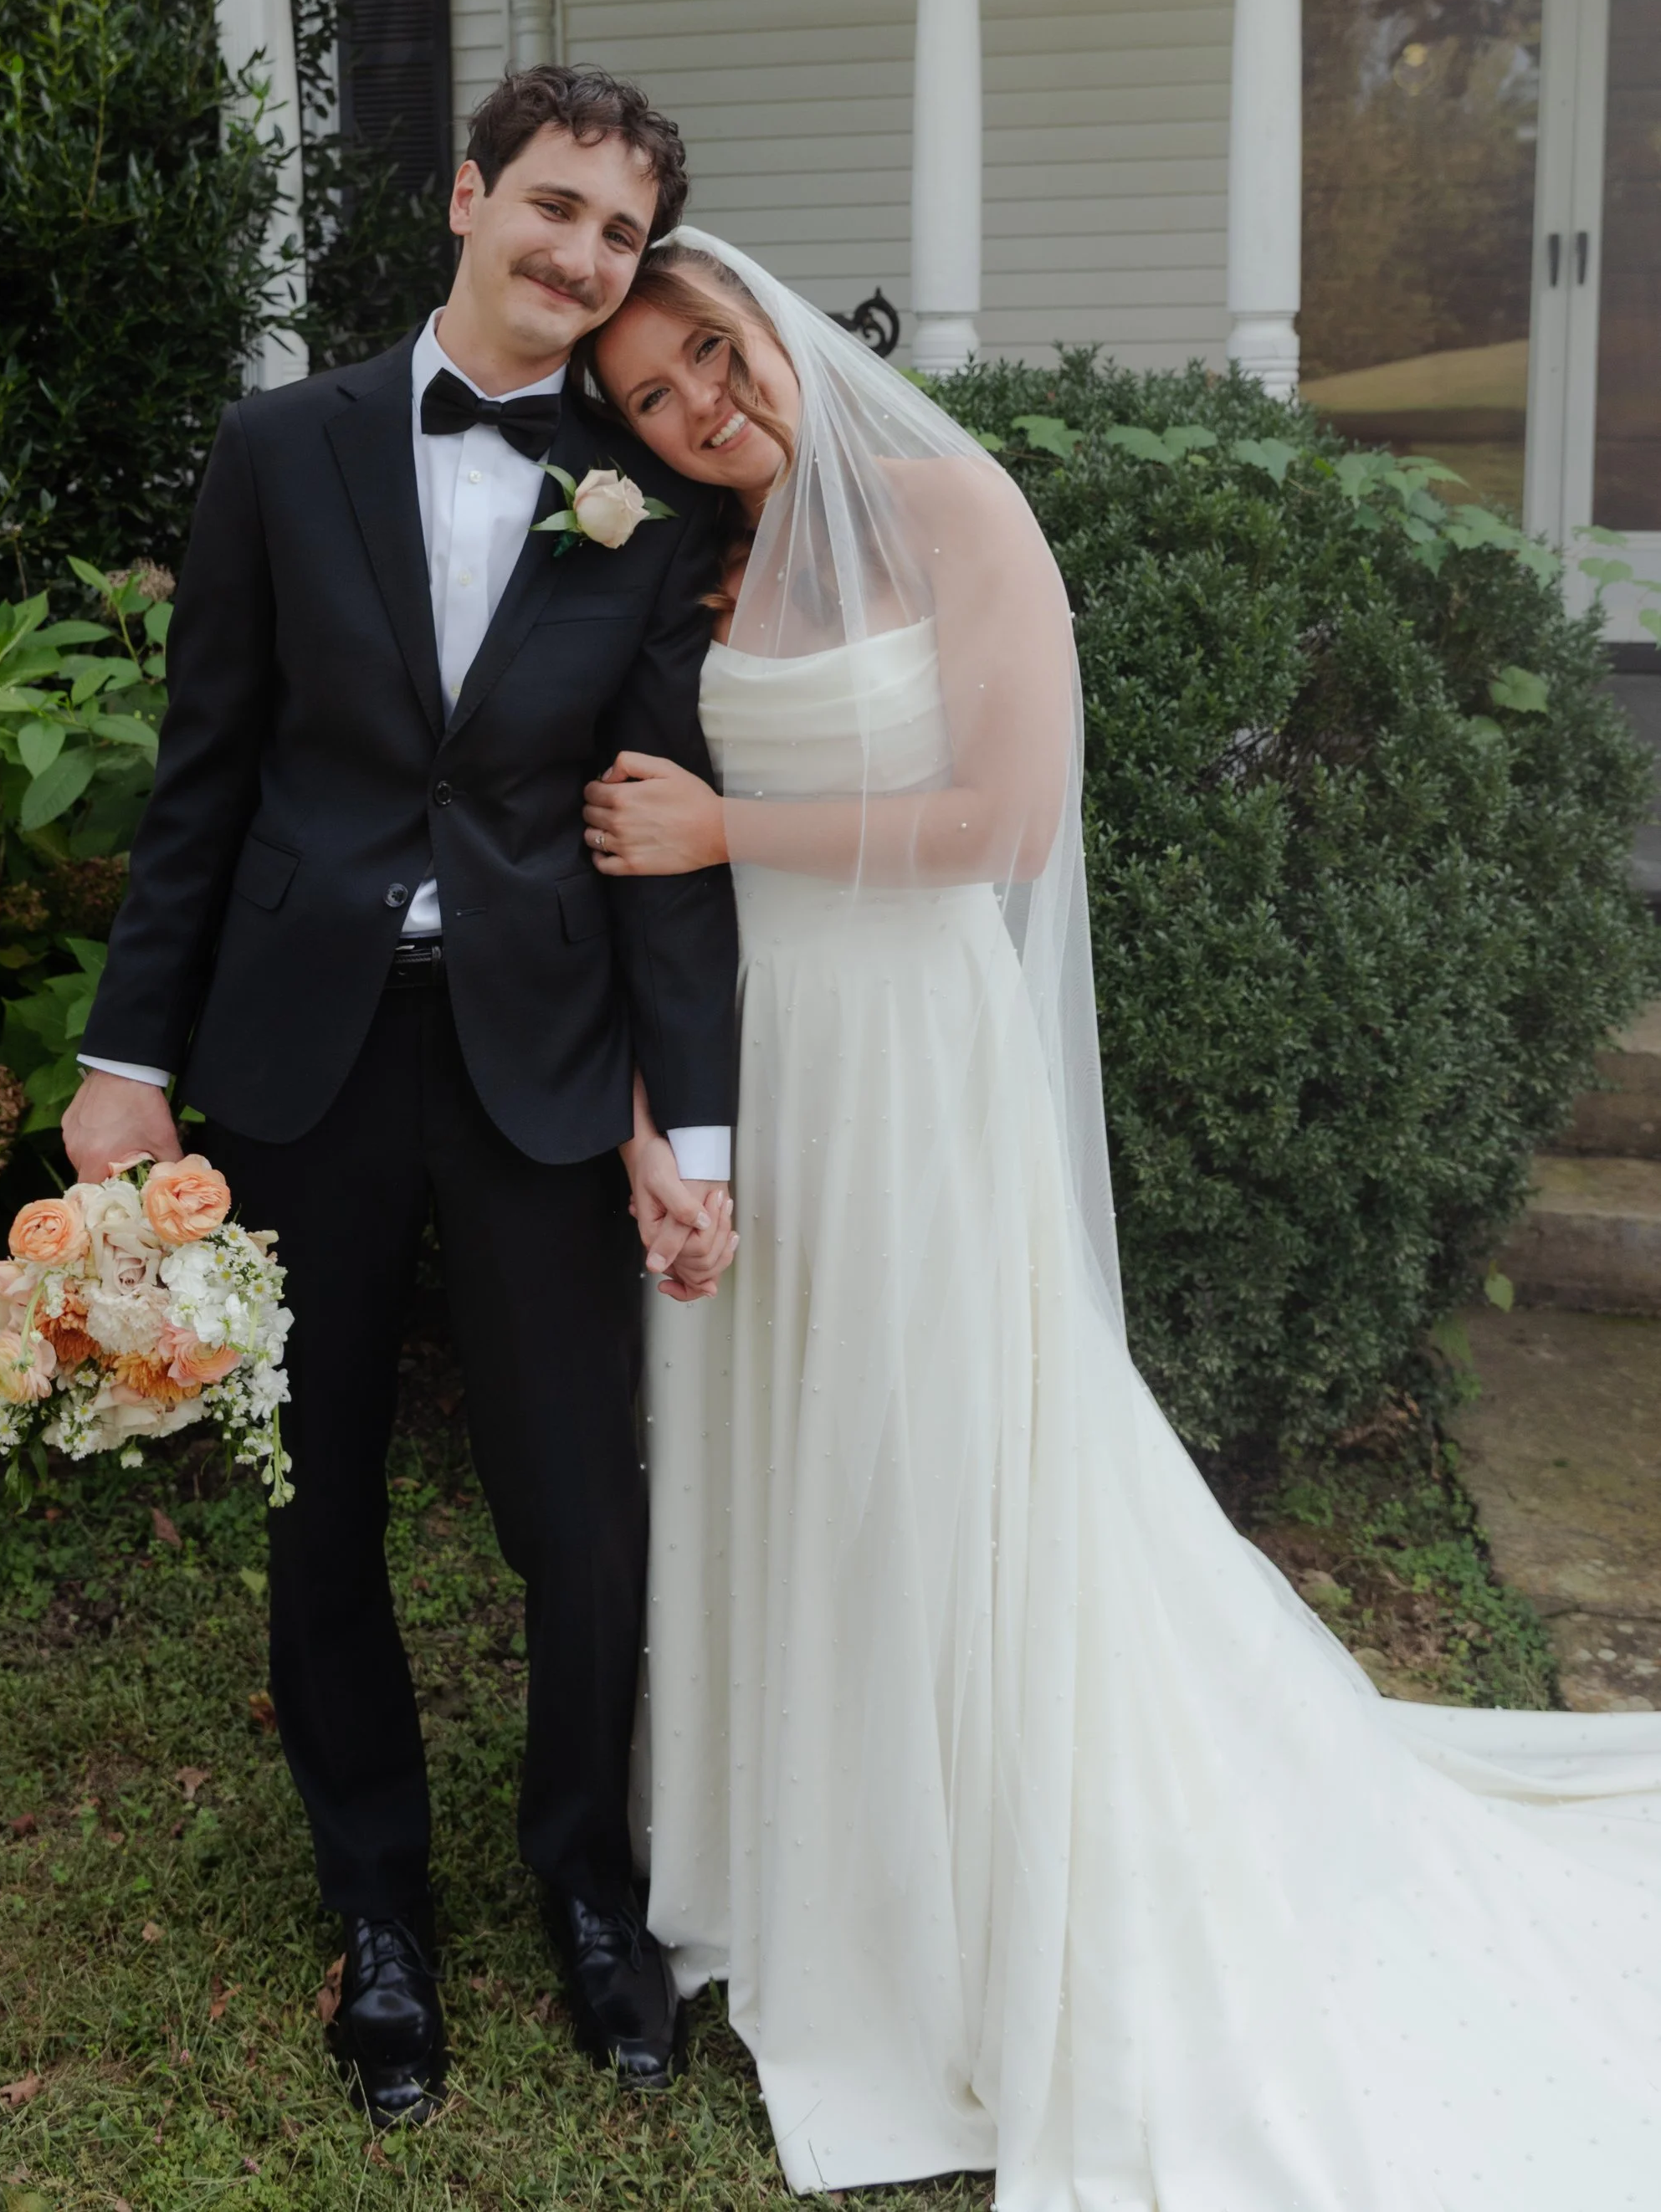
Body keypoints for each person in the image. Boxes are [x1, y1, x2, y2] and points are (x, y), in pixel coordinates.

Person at [579, 227, 1661, 2207]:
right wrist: (669, 1121)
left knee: (924, 1462)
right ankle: (789, 1867)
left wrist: (729, 822)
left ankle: (940, 1893)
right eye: (649, 400)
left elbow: (1001, 817)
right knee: (787, 1453)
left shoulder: (950, 509)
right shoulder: (696, 576)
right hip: (765, 1059)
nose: (697, 409)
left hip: (913, 1061)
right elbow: (647, 887)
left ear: (773, 323)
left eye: (708, 356)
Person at [60, 70, 741, 2128]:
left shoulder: (644, 497)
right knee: (322, 1487)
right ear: (466, 196)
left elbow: (647, 839)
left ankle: (587, 1894)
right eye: (552, 209)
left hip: (533, 1054)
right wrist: (123, 1063)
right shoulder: (282, 449)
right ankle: (378, 1906)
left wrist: (686, 1130)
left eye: (618, 237)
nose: (579, 260)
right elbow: (205, 778)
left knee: (574, 1506)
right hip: (298, 1053)